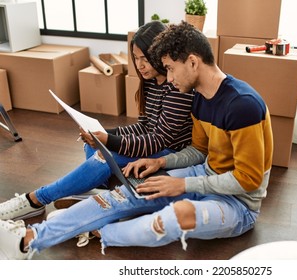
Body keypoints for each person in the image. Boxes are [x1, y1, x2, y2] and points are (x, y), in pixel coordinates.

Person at [0, 21, 273, 260]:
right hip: (204, 174)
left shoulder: (243, 106)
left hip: (238, 204)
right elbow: (199, 151)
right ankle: (28, 239)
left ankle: (95, 229)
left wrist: (181, 183)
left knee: (173, 217)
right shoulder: (201, 97)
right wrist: (162, 162)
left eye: (170, 68)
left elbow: (248, 180)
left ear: (192, 61)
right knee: (125, 195)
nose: (169, 77)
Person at [0, 21, 193, 221]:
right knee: (92, 147)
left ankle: (35, 199)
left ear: (160, 54)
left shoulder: (177, 87)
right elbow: (144, 125)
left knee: (103, 154)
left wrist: (109, 140)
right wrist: (105, 133)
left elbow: (157, 140)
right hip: (152, 144)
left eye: (145, 58)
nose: (140, 65)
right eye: (136, 58)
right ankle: (92, 192)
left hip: (169, 153)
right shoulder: (151, 82)